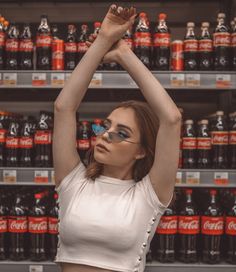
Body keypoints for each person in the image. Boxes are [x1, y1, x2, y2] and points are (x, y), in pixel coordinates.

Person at [53, 4, 181, 272]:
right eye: (105, 126)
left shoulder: (150, 194)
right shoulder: (73, 182)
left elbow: (171, 118)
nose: (105, 136)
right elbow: (64, 108)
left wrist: (124, 54)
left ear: (142, 151)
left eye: (122, 133)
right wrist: (103, 40)